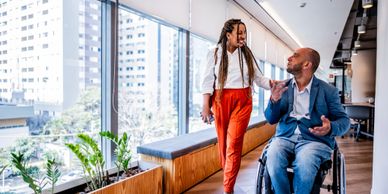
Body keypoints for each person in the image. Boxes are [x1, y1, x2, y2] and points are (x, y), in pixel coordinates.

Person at [201, 19, 273, 194]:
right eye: (239, 33)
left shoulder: (247, 54)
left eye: (244, 33)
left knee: (233, 144)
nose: (243, 36)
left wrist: (274, 84)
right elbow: (207, 80)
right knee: (224, 145)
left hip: (243, 101)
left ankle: (228, 188)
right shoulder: (215, 53)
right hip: (220, 99)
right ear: (228, 35)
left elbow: (259, 78)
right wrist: (205, 105)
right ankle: (229, 180)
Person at [264, 48, 350, 194]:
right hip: (284, 137)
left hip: (314, 140)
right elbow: (271, 119)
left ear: (306, 65)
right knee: (272, 159)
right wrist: (274, 101)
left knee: (305, 163)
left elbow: (344, 121)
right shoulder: (282, 88)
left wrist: (330, 128)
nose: (289, 58)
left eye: (295, 56)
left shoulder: (328, 91)